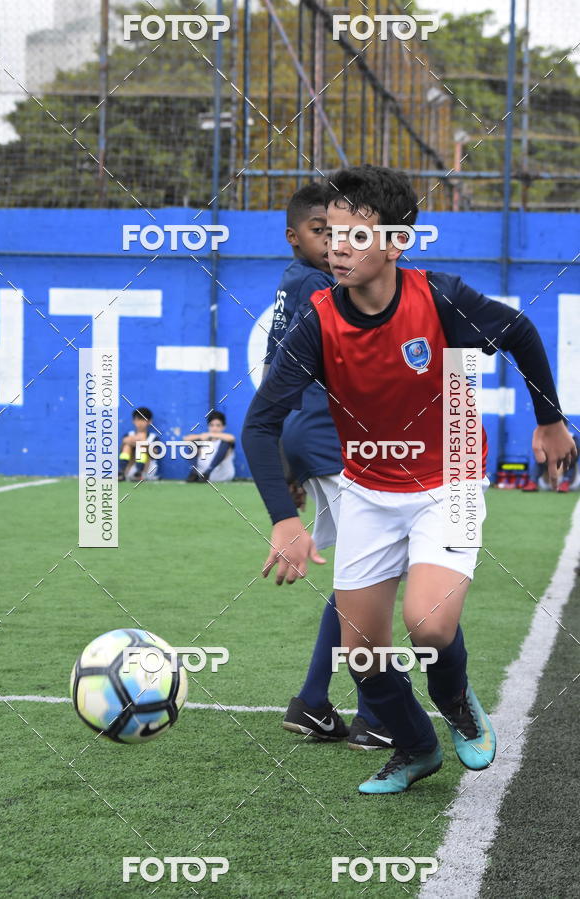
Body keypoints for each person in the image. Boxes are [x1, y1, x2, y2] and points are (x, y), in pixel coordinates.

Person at [242, 165, 576, 795]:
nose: (340, 246)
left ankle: (453, 701)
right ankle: (416, 748)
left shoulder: (439, 298)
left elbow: (521, 333)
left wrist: (551, 421)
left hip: (446, 479)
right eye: (333, 233)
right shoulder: (316, 322)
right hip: (367, 490)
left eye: (357, 236)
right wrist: (284, 522)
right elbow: (260, 424)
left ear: (396, 243)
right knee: (363, 655)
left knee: (430, 626)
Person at [264, 182, 392, 750]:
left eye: (344, 234)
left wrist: (286, 456)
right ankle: (373, 714)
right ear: (296, 237)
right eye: (325, 232)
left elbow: (276, 373)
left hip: (312, 436)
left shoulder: (297, 287)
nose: (336, 243)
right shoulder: (322, 287)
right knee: (369, 575)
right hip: (331, 438)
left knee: (360, 574)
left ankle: (316, 702)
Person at [184, 411, 236, 482]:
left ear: (223, 427)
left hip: (222, 475)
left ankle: (208, 471)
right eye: (211, 425)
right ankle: (194, 472)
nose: (214, 428)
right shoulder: (203, 439)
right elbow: (186, 439)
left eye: (218, 425)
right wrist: (200, 436)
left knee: (226, 443)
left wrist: (211, 435)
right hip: (202, 477)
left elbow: (231, 438)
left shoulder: (226, 440)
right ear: (208, 426)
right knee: (192, 444)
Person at [118, 406, 159, 481]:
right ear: (133, 421)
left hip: (148, 469)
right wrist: (127, 441)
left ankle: (139, 473)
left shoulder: (153, 437)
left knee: (141, 446)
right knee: (127, 446)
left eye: (143, 420)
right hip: (131, 469)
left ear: (149, 421)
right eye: (137, 420)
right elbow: (121, 450)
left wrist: (144, 443)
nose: (140, 423)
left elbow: (156, 454)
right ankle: (121, 472)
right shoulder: (129, 435)